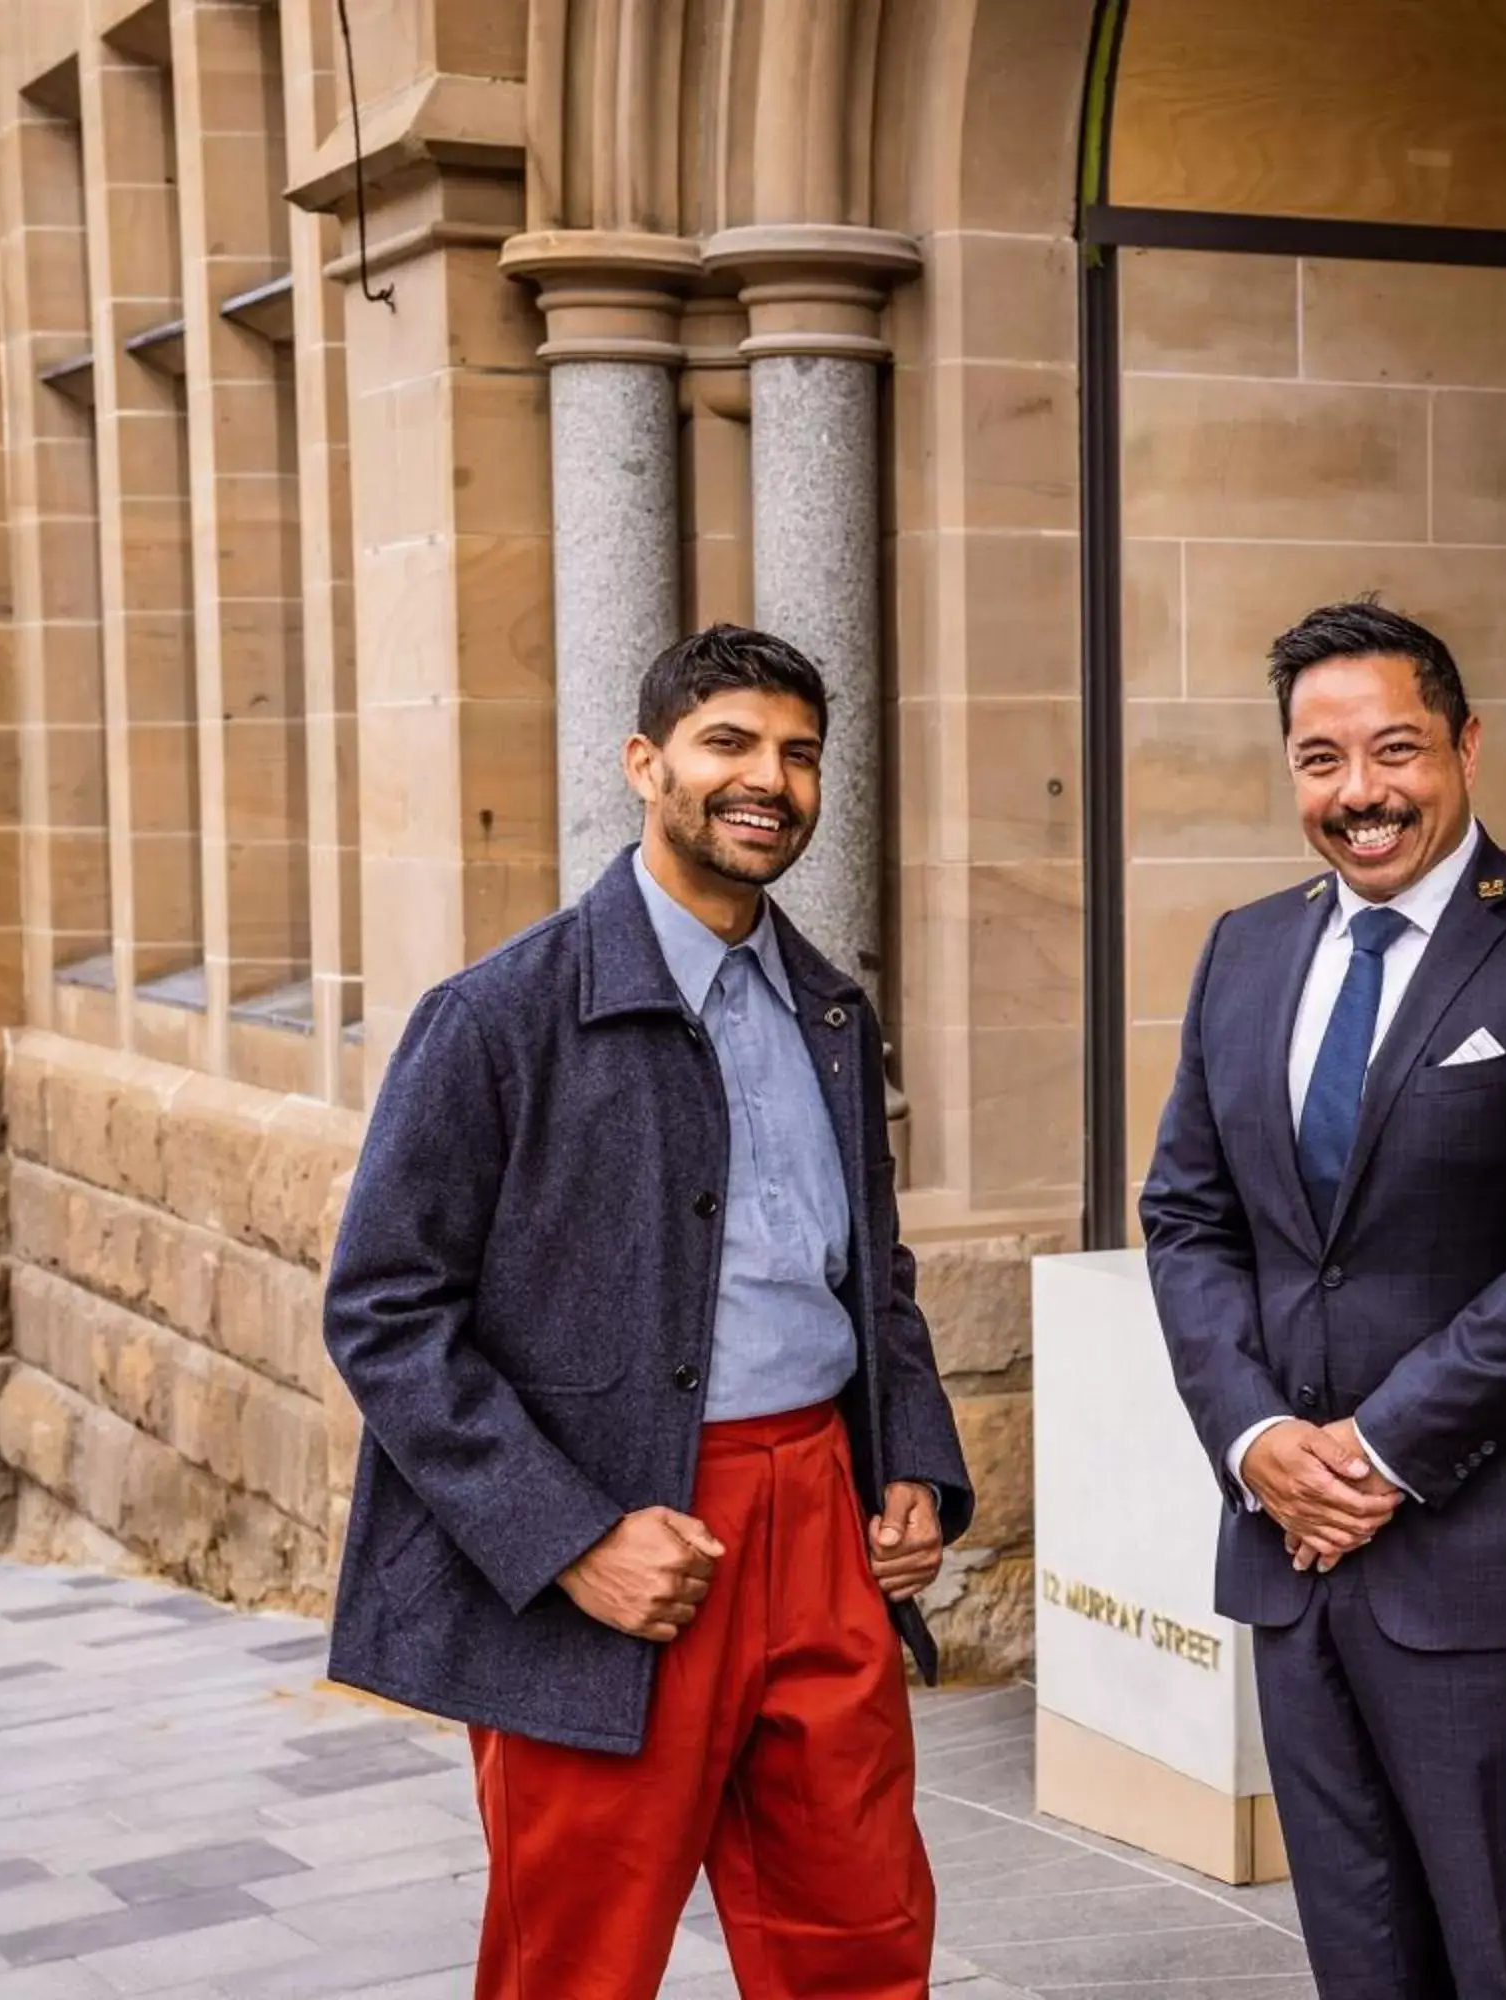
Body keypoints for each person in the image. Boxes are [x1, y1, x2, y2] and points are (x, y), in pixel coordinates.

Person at [321, 624, 973, 1999]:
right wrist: (570, 1540)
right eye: (729, 743)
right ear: (645, 764)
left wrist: (910, 1455)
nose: (771, 781)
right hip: (619, 1539)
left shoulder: (831, 1010)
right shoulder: (497, 1016)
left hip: (821, 1520)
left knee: (859, 1939)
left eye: (799, 754)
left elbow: (872, 1264)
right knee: (581, 1960)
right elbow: (385, 1311)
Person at [1140, 598, 1506, 1998]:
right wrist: (1261, 1440)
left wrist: (1379, 1452)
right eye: (1321, 761)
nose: (1362, 794)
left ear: (1466, 747)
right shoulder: (1244, 951)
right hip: (1293, 1551)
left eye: (1396, 751)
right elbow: (1190, 1218)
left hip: (1488, 1548)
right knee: (1362, 1955)